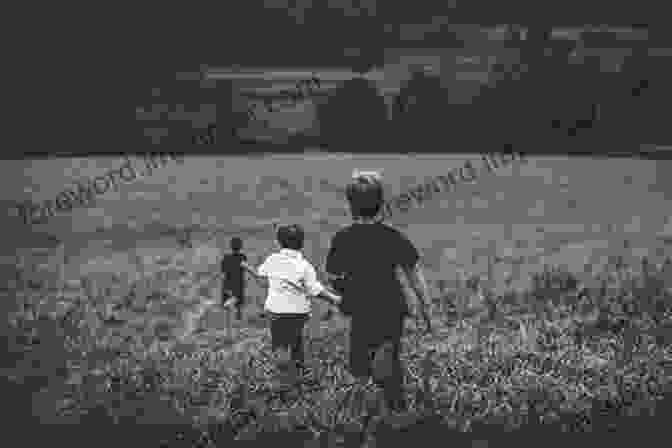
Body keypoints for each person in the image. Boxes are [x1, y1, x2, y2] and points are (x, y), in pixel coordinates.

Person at [325, 171, 433, 413]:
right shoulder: (392, 236)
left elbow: (333, 276)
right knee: (388, 356)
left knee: (360, 367)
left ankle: (366, 412)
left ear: (350, 205)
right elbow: (414, 272)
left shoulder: (342, 239)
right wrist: (426, 306)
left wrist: (342, 293)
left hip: (360, 310)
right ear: (380, 204)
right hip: (391, 307)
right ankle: (395, 408)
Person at [242, 224, 342, 378]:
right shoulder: (304, 266)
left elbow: (261, 278)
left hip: (276, 311)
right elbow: (315, 290)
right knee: (296, 341)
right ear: (302, 243)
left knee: (280, 343)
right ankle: (298, 374)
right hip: (298, 313)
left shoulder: (272, 260)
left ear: (279, 242)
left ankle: (282, 376)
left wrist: (247, 267)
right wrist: (334, 299)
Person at [220, 237, 248, 321]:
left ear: (230, 246)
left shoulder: (226, 258)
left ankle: (229, 324)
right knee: (238, 306)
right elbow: (244, 270)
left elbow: (223, 274)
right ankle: (238, 320)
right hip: (238, 284)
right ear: (241, 246)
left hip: (228, 284)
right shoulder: (243, 257)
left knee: (228, 306)